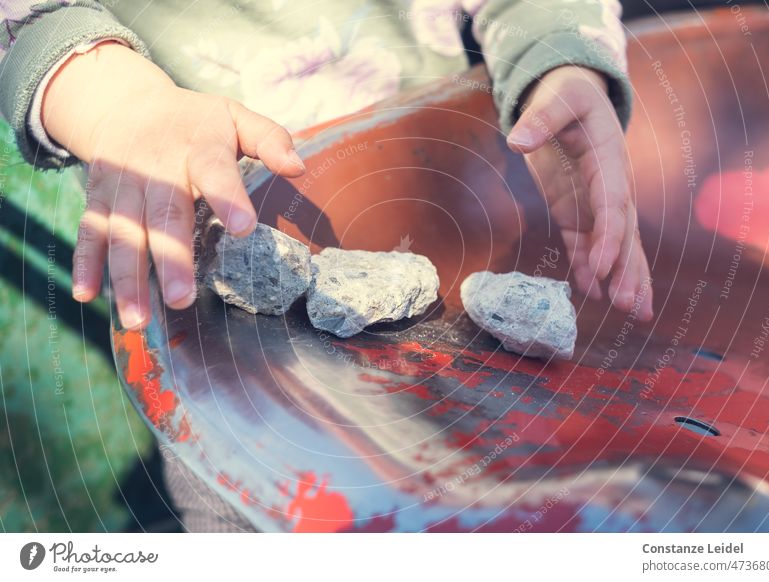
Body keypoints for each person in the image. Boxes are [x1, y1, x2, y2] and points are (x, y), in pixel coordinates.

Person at [0, 0, 653, 531]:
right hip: (208, 296)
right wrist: (121, 106)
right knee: (245, 504)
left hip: (433, 231)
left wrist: (558, 59)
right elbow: (31, 20)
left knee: (464, 494)